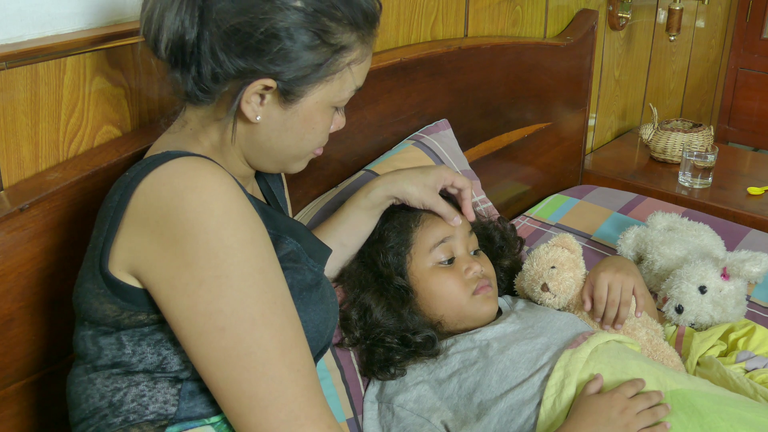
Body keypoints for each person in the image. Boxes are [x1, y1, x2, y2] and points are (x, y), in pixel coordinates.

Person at [65, 1, 480, 431]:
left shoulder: (251, 170)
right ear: (259, 98)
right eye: (337, 104)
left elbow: (275, 287)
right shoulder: (188, 196)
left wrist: (381, 193)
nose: (340, 123)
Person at [337, 198, 672, 432]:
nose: (474, 264)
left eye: (474, 248)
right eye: (446, 260)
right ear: (394, 294)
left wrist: (622, 270)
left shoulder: (529, 299)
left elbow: (650, 336)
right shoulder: (409, 394)